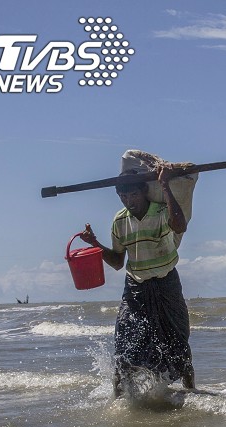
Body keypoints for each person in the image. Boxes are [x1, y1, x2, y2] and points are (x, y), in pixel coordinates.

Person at [80, 165, 194, 396]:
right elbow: (117, 262)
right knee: (125, 345)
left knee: (179, 340)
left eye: (133, 195)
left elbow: (180, 226)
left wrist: (164, 184)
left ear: (144, 192)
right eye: (123, 196)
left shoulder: (163, 211)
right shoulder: (120, 221)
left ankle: (191, 392)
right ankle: (120, 400)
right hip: (135, 287)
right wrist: (95, 244)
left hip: (166, 283)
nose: (128, 201)